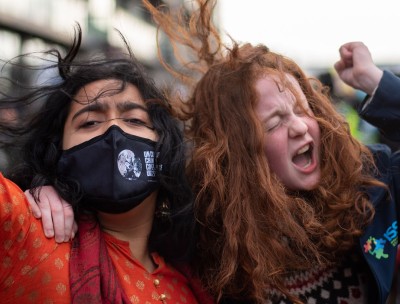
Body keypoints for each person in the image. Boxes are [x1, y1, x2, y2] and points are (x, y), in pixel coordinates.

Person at [28, 2, 400, 304]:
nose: (301, 127)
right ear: (239, 155)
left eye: (303, 110)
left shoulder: (374, 182)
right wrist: (46, 187)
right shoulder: (208, 238)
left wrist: (378, 85)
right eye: (273, 124)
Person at [0, 25, 213, 303]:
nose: (113, 133)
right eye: (90, 122)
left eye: (134, 120)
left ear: (163, 148)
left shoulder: (199, 273)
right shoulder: (27, 232)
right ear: (59, 155)